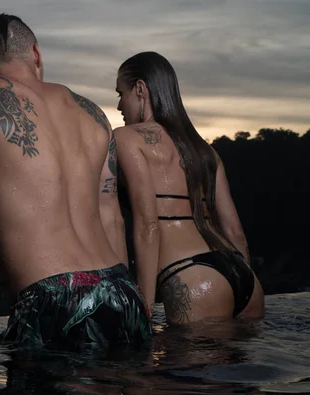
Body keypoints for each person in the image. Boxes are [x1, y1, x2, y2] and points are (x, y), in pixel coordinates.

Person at [0, 14, 151, 350]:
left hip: (54, 299)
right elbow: (111, 215)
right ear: (36, 54)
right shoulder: (92, 111)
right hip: (122, 289)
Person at [112, 51, 265, 325]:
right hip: (242, 275)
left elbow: (148, 226)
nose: (119, 105)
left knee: (173, 367)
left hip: (191, 277)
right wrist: (242, 281)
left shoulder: (126, 139)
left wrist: (144, 309)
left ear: (140, 89)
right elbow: (235, 232)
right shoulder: (204, 149)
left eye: (120, 93)